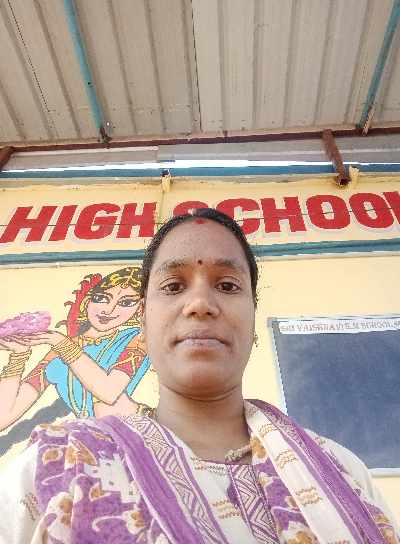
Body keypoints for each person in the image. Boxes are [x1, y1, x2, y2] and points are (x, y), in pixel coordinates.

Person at [0, 208, 398, 544]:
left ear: (253, 319)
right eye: (173, 286)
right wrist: (18, 357)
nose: (200, 303)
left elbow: (108, 387)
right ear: (144, 322)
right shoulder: (54, 466)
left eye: (227, 285)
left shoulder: (342, 471)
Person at [0, 266, 149, 431]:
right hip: (94, 439)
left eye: (126, 303)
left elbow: (109, 391)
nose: (108, 309)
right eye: (101, 298)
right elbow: (3, 417)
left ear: (139, 309)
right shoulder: (58, 351)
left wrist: (62, 343)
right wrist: (18, 356)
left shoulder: (139, 337)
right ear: (87, 301)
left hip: (140, 432)